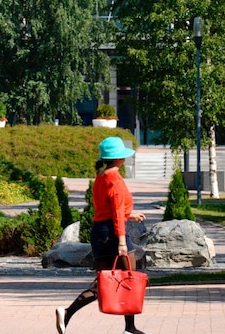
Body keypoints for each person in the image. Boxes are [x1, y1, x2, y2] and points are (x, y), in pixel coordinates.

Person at [55, 137, 148, 334]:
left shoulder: (101, 177)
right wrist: (122, 241)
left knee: (107, 280)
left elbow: (107, 209)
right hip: (113, 234)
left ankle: (67, 313)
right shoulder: (115, 180)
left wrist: (129, 215)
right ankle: (130, 328)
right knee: (128, 277)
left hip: (100, 232)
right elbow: (114, 213)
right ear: (120, 158)